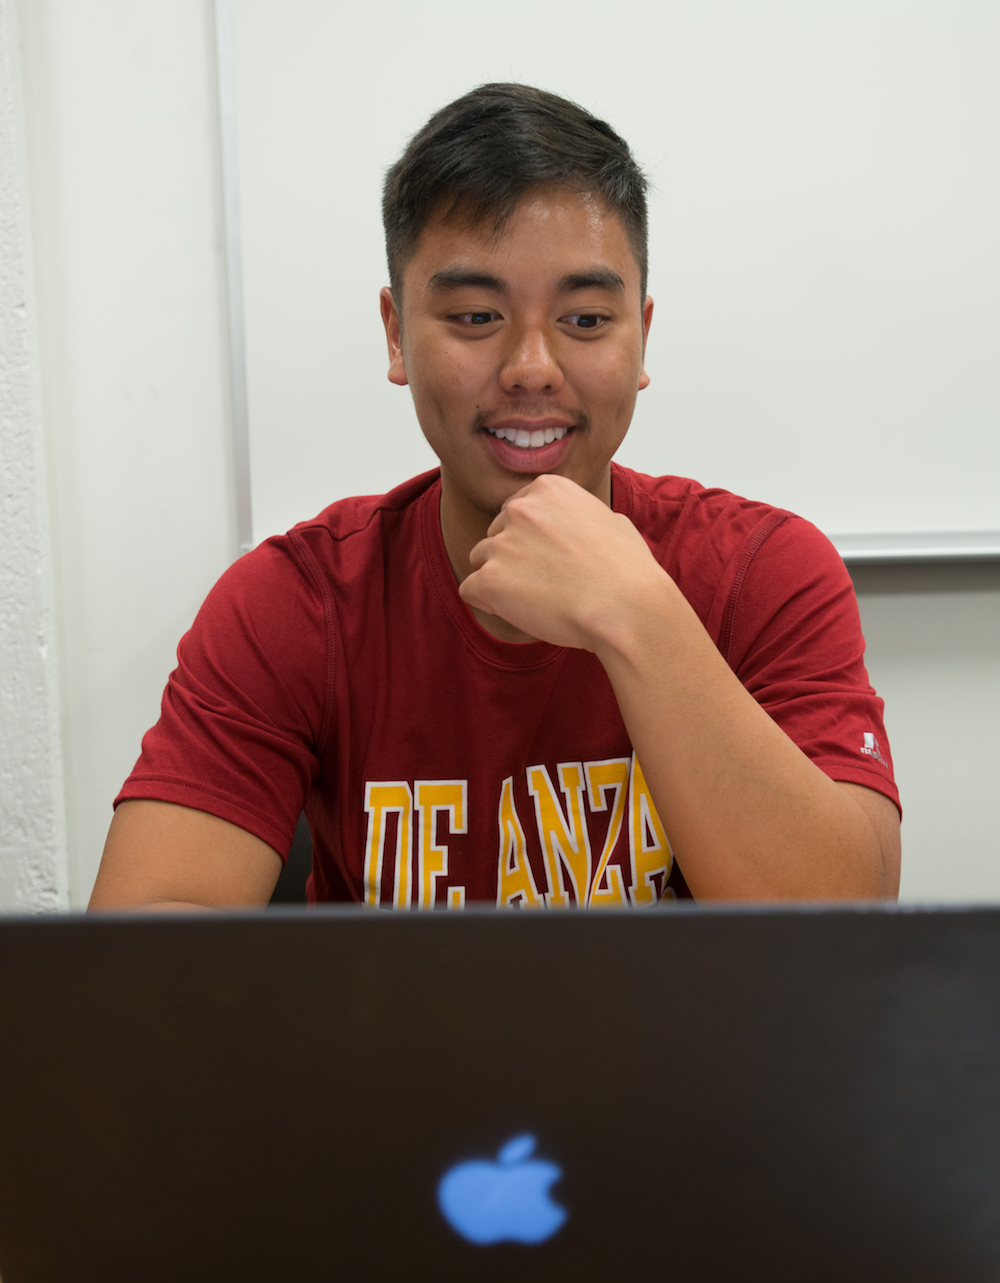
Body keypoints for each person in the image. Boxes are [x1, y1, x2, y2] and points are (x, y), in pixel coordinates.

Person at [88, 83, 900, 913]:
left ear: (643, 337)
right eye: (476, 316)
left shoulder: (763, 572)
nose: (531, 368)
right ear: (397, 333)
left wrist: (637, 617)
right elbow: (141, 964)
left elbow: (846, 924)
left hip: (676, 1048)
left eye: (585, 320)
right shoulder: (295, 603)